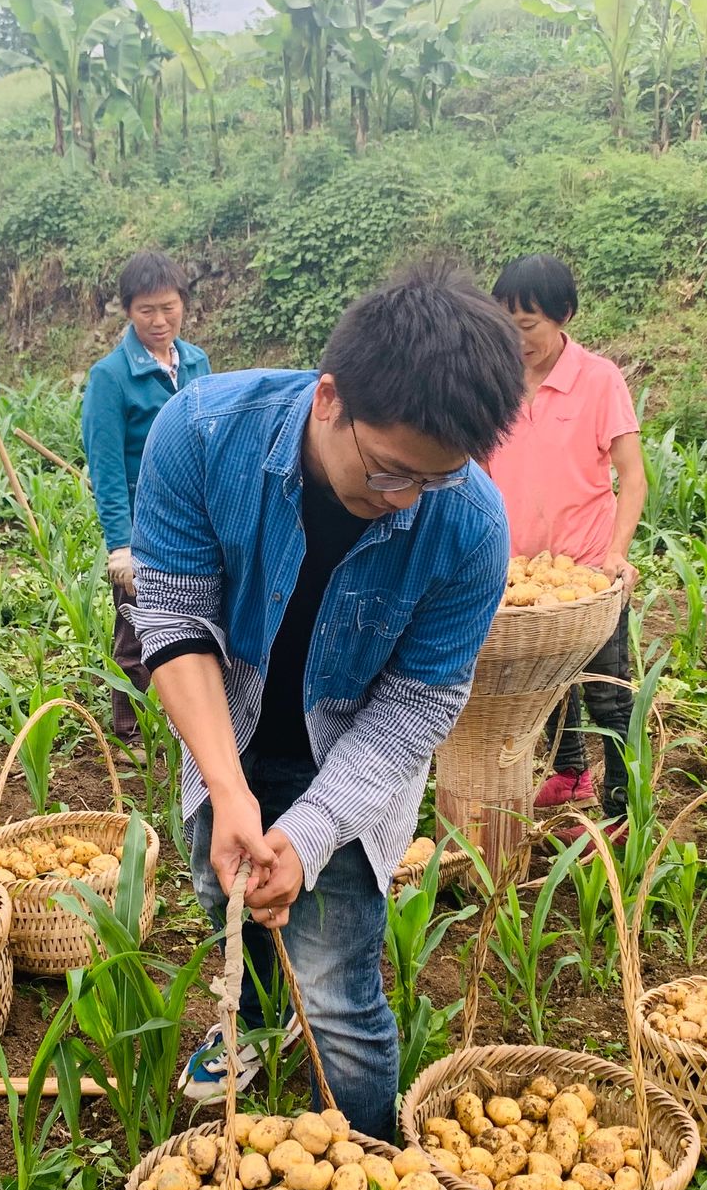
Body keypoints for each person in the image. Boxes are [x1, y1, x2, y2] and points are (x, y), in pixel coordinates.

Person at [131, 263, 523, 1140]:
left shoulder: (470, 525)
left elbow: (415, 710)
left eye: (432, 481)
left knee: (340, 992)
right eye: (389, 473)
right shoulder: (201, 433)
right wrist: (231, 793)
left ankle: (368, 1167)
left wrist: (308, 837)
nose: (402, 502)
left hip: (348, 764)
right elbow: (174, 616)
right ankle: (259, 1028)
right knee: (224, 895)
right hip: (223, 731)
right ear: (330, 398)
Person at [488, 254, 645, 838]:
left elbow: (633, 475)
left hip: (584, 571)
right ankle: (571, 771)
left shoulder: (599, 379)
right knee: (547, 681)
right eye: (506, 326)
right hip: (517, 572)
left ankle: (622, 810)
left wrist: (617, 552)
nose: (516, 340)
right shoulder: (495, 383)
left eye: (527, 326)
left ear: (564, 317)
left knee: (606, 690)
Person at [80, 251, 211, 743]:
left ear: (183, 304)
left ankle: (186, 724)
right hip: (144, 526)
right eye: (146, 311)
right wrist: (121, 544)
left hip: (194, 520)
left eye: (168, 308)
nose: (159, 321)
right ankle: (130, 731)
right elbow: (108, 468)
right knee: (137, 629)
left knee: (196, 623)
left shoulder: (196, 361)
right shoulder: (110, 378)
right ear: (128, 312)